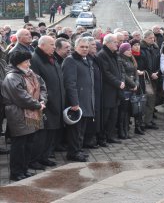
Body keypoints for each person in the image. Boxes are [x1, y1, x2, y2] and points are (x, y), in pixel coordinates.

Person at [2, 51, 47, 181]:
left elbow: (42, 86)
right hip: (18, 114)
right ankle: (16, 172)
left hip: (32, 113)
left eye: (29, 61)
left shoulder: (30, 73)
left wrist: (42, 100)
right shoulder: (12, 77)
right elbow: (21, 97)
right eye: (26, 61)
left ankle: (24, 169)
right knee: (19, 145)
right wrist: (38, 104)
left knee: (29, 143)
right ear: (18, 63)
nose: (29, 64)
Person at [29, 36, 64, 168]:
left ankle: (44, 157)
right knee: (41, 135)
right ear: (42, 45)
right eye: (51, 44)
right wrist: (43, 101)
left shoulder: (51, 58)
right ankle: (34, 160)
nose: (54, 47)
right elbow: (35, 84)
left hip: (56, 101)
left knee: (51, 133)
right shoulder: (35, 59)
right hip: (45, 104)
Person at [62, 38, 95, 162]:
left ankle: (78, 150)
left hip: (86, 100)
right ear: (75, 47)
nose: (85, 49)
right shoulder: (70, 60)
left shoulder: (86, 60)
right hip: (77, 102)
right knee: (75, 130)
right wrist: (74, 102)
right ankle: (73, 152)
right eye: (82, 47)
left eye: (87, 47)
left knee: (81, 130)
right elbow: (70, 83)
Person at [97, 34, 126, 144]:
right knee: (106, 116)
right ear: (107, 43)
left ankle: (110, 136)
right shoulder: (102, 55)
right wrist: (118, 82)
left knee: (114, 115)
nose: (117, 44)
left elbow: (121, 69)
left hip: (117, 90)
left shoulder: (115, 54)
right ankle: (102, 138)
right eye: (114, 42)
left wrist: (122, 80)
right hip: (108, 90)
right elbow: (105, 73)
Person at [118, 43, 139, 138]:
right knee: (123, 110)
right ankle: (121, 131)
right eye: (127, 50)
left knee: (128, 111)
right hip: (125, 88)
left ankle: (126, 130)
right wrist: (133, 84)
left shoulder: (131, 59)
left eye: (130, 49)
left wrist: (137, 83)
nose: (130, 51)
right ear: (122, 51)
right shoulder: (120, 60)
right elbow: (123, 75)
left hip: (132, 88)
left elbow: (136, 72)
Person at [140, 30, 160, 130]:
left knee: (152, 100)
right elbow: (141, 64)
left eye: (153, 38)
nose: (152, 40)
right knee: (146, 100)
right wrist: (150, 73)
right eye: (150, 38)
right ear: (145, 38)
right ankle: (144, 122)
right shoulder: (141, 48)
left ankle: (149, 120)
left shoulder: (155, 47)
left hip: (154, 77)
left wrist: (157, 72)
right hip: (145, 78)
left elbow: (158, 61)